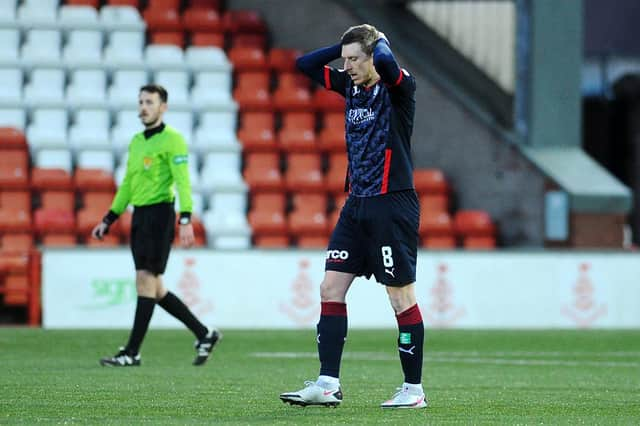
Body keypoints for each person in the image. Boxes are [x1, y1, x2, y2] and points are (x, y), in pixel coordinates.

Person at [279, 25, 426, 409]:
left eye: (354, 60)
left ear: (373, 55)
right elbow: (304, 64)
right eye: (344, 60)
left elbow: (386, 62)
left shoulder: (398, 89)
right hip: (357, 203)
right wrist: (345, 46)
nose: (347, 66)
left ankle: (413, 390)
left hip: (391, 203)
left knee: (400, 297)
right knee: (330, 288)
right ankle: (328, 384)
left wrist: (378, 43)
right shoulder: (351, 86)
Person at [92, 84, 221, 367]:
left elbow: (182, 179)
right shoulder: (137, 141)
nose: (143, 107)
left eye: (149, 102)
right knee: (155, 287)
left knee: (145, 281)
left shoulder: (173, 140)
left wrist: (185, 216)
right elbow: (127, 182)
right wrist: (110, 218)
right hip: (139, 216)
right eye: (140, 101)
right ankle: (204, 334)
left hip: (160, 215)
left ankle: (132, 351)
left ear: (163, 107)